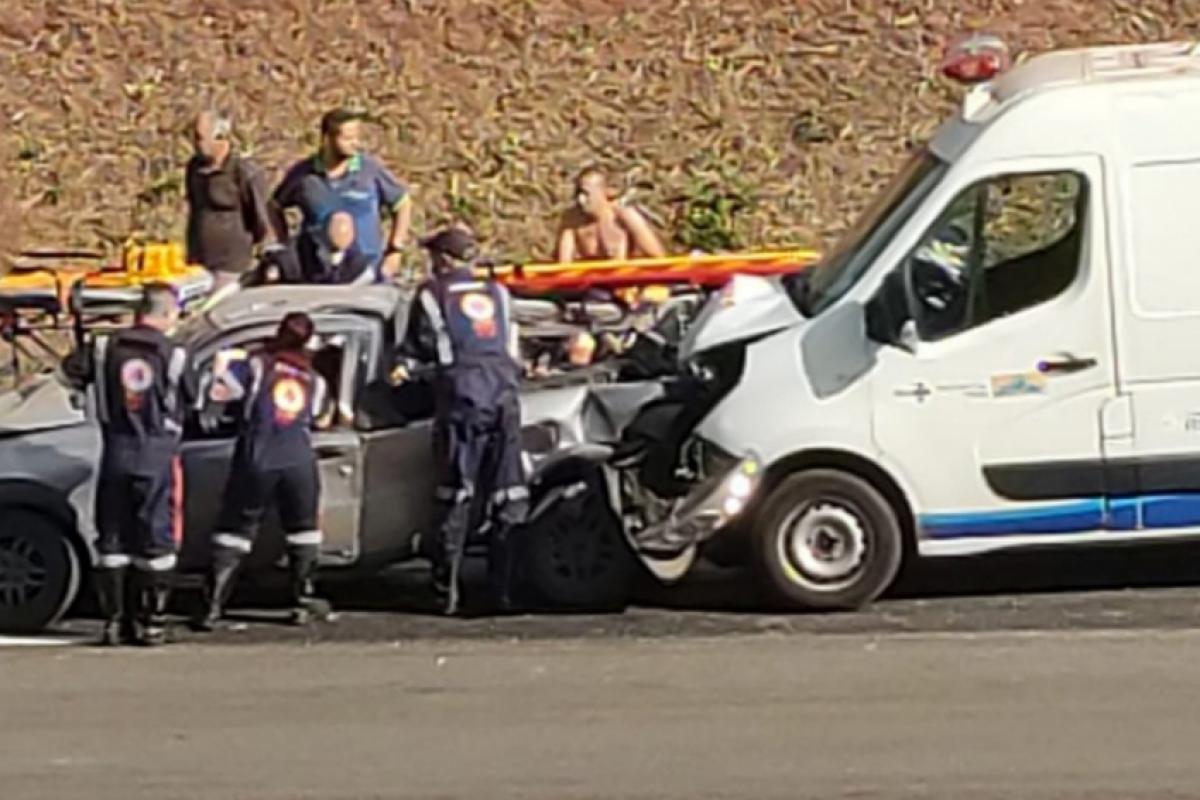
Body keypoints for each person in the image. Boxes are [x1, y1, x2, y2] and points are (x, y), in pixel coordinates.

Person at [397, 227, 527, 615]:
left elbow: (419, 349)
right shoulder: (499, 293)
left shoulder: (432, 294)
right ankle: (504, 593)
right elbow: (512, 348)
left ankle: (446, 595)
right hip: (505, 397)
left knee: (454, 494)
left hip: (462, 398)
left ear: (445, 259)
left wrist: (403, 370)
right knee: (508, 495)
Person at [63, 284, 197, 646]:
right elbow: (194, 401)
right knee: (156, 540)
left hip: (115, 451)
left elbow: (68, 374)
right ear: (168, 313)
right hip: (157, 455)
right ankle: (151, 623)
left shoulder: (103, 348)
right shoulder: (175, 355)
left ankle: (113, 622)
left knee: (113, 538)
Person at [195, 312, 332, 630]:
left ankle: (212, 607)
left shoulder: (257, 364)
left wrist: (221, 365)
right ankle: (303, 602)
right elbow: (322, 417)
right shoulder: (315, 380)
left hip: (258, 455)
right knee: (303, 531)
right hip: (298, 459)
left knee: (235, 530)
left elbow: (219, 392)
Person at [271, 108, 412, 282]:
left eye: (357, 137)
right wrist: (283, 241)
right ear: (326, 139)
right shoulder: (304, 176)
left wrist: (395, 249)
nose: (355, 143)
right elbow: (274, 205)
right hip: (317, 275)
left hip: (368, 273)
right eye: (347, 138)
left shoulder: (369, 170)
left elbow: (402, 203)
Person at [185, 111, 274, 289]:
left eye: (200, 138)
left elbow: (262, 218)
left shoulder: (243, 172)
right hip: (198, 262)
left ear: (221, 138)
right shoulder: (194, 168)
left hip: (232, 265)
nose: (195, 143)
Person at [554, 168, 667, 263]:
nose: (581, 199)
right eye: (578, 193)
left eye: (586, 193)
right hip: (593, 280)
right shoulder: (573, 221)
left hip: (626, 278)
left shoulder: (625, 216)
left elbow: (658, 257)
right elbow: (564, 265)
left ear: (606, 192)